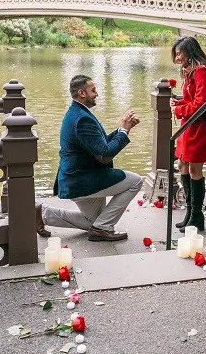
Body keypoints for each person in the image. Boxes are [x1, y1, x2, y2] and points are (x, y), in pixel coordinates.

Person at [36, 75, 143, 241]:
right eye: (93, 90)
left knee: (92, 221)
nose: (97, 94)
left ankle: (43, 214)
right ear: (82, 93)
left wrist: (122, 130)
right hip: (80, 180)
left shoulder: (78, 113)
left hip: (76, 177)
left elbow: (98, 146)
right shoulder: (82, 118)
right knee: (136, 181)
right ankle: (102, 228)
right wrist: (124, 132)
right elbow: (104, 155)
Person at [170, 37, 206, 233]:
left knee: (194, 169)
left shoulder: (202, 71)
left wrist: (179, 111)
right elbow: (191, 99)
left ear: (190, 52)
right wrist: (178, 103)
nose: (176, 57)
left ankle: (197, 216)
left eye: (179, 53)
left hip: (199, 127)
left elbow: (202, 104)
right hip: (189, 125)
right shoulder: (189, 71)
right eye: (175, 53)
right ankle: (189, 213)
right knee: (182, 164)